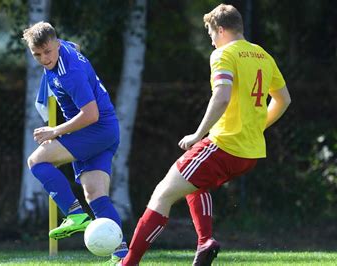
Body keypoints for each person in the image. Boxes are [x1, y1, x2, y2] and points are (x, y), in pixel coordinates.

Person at [120, 4, 291, 266]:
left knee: (162, 194)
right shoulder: (263, 56)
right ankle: (204, 243)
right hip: (250, 152)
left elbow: (221, 96)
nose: (211, 41)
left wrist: (199, 134)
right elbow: (283, 100)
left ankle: (128, 263)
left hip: (223, 144)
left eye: (210, 34)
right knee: (193, 184)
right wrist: (257, 127)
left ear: (221, 30)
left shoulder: (223, 54)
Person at [22, 22, 128, 261]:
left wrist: (55, 131)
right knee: (96, 194)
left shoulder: (70, 74)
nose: (44, 59)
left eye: (47, 52)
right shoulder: (66, 48)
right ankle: (122, 255)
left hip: (96, 129)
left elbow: (91, 114)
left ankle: (73, 212)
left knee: (37, 160)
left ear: (57, 44)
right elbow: (76, 46)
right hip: (106, 131)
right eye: (37, 54)